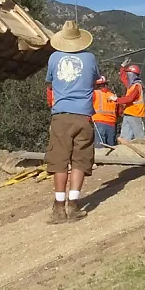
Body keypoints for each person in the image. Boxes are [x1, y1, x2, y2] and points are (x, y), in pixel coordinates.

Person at [44, 20, 99, 224]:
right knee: (80, 160)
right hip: (84, 115)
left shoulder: (54, 58)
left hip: (60, 115)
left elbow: (50, 80)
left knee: (59, 160)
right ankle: (74, 204)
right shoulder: (90, 58)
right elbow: (95, 79)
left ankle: (59, 207)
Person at [117, 64, 145, 141]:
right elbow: (123, 77)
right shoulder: (131, 85)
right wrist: (122, 67)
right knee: (124, 137)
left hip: (135, 114)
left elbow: (129, 99)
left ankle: (142, 150)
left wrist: (117, 99)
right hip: (128, 113)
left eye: (129, 74)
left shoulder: (137, 86)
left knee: (139, 137)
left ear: (133, 75)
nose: (127, 76)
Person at [92, 75, 119, 148]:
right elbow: (119, 111)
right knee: (111, 148)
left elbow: (87, 105)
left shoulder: (94, 93)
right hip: (112, 124)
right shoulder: (112, 95)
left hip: (99, 122)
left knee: (99, 147)